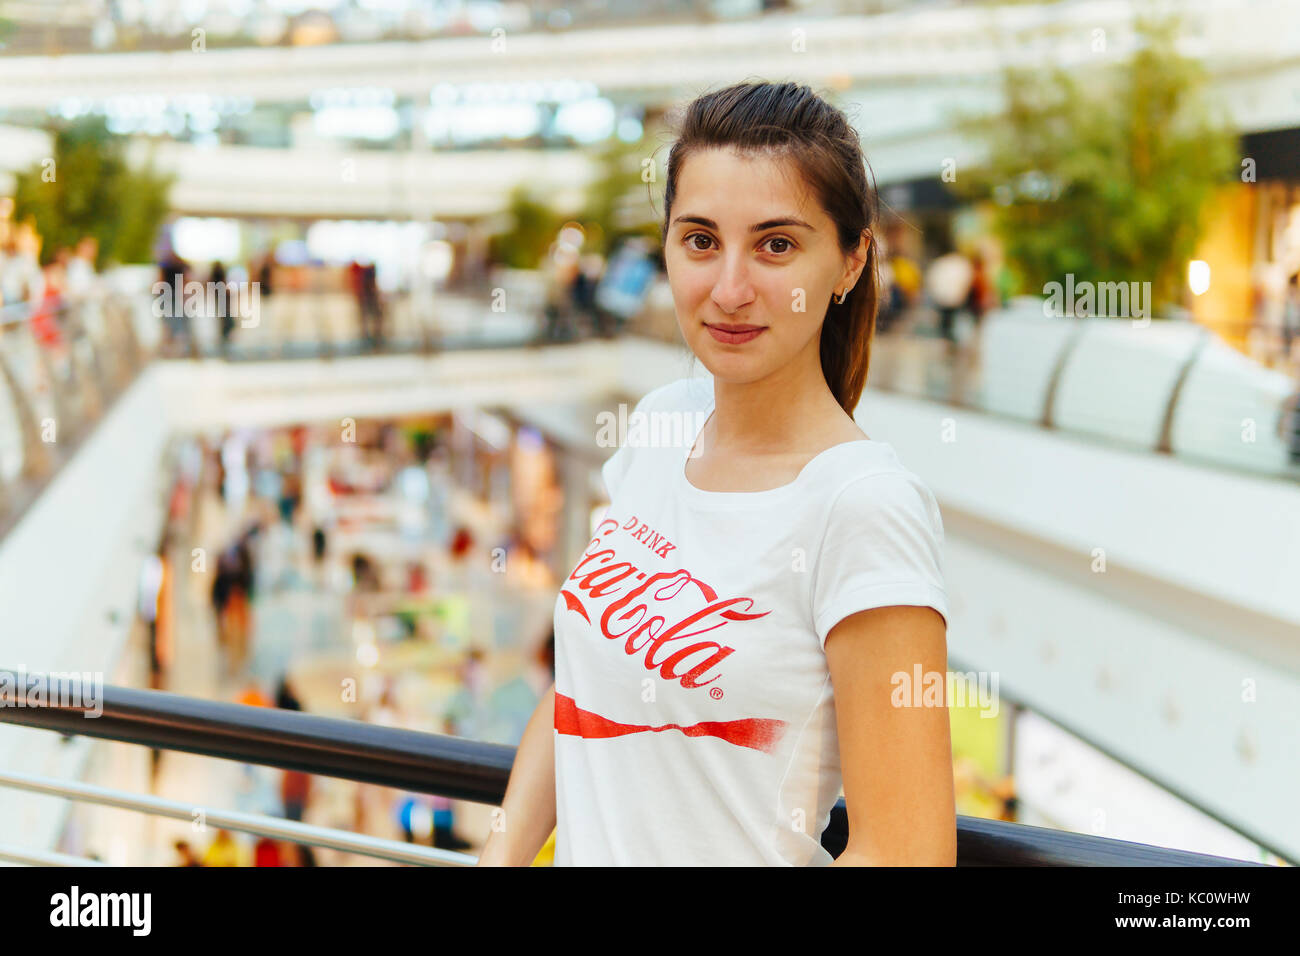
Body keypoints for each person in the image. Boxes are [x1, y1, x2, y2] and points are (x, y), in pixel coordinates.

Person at [477, 81, 952, 867]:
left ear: (850, 260)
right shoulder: (662, 421)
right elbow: (578, 694)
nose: (729, 290)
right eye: (700, 240)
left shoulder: (862, 507)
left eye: (775, 245)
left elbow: (905, 853)